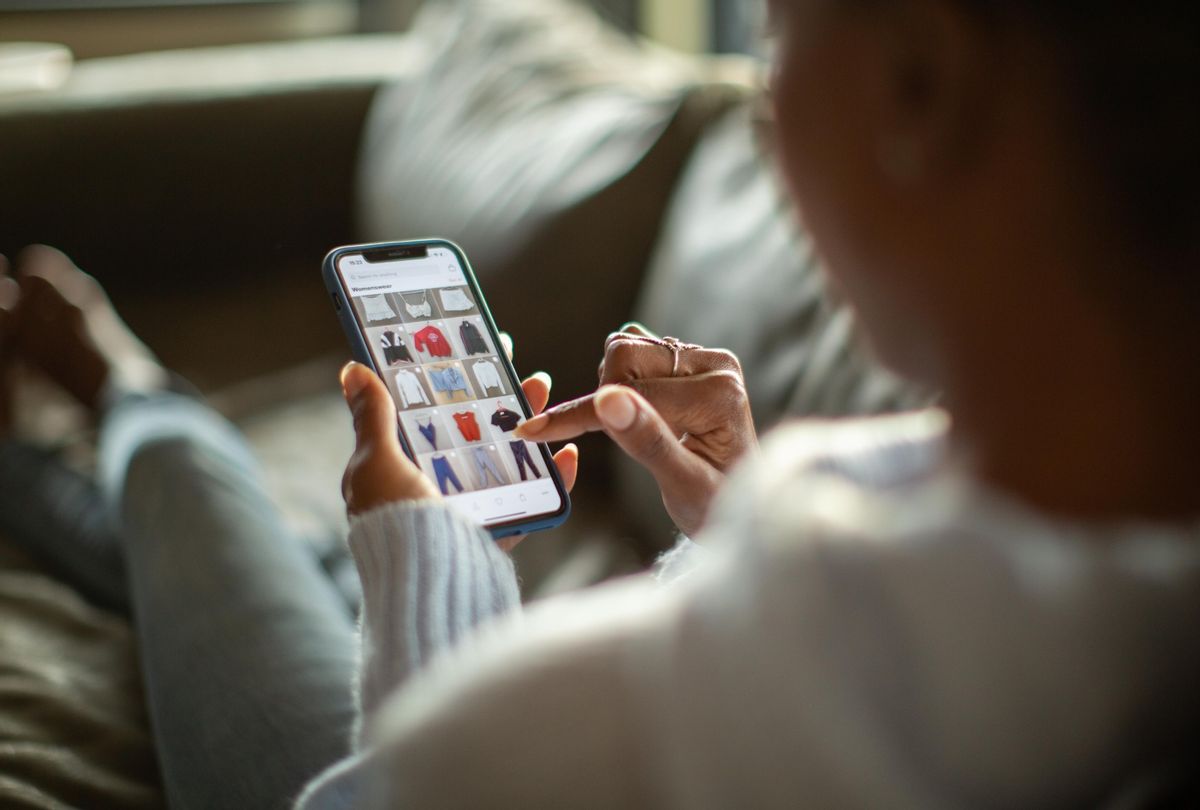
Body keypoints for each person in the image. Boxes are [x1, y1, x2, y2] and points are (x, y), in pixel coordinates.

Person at [3, 0, 1199, 807]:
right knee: (276, 565)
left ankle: (132, 400)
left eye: (778, 38)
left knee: (217, 512)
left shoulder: (667, 705)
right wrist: (727, 533)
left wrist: (438, 569)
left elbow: (401, 780)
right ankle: (69, 460)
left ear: (922, 82)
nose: (764, 109)